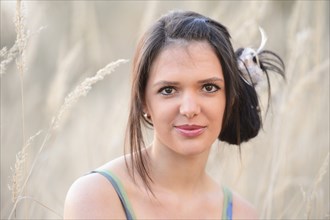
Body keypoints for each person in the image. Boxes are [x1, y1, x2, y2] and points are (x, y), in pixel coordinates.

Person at [64, 10, 284, 219]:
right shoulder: (97, 197)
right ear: (143, 102)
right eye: (168, 90)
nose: (189, 109)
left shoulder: (242, 214)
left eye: (209, 88)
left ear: (231, 98)